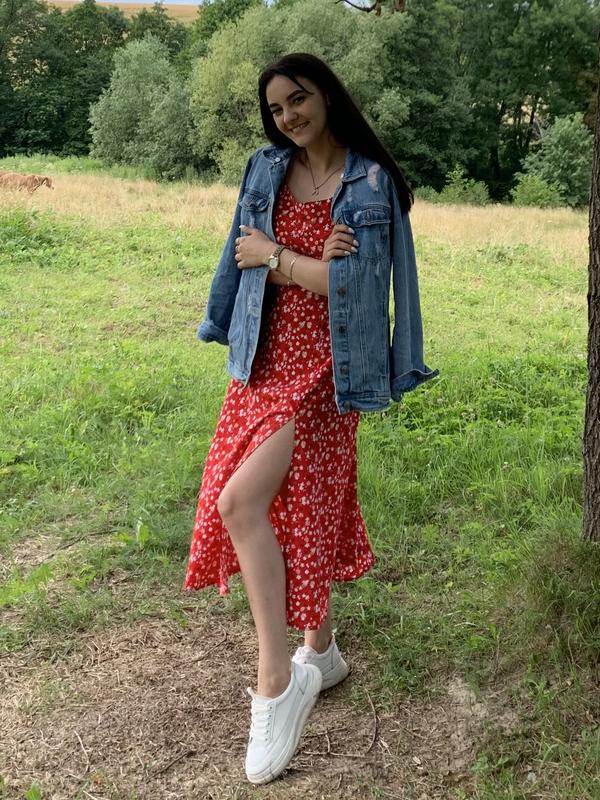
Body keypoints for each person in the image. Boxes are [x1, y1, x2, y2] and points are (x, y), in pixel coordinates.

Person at [182, 52, 439, 785]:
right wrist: (300, 262)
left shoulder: (369, 182)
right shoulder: (266, 170)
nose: (288, 116)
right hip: (265, 357)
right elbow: (243, 255)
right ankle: (319, 653)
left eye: (297, 99)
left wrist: (280, 257)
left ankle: (278, 683)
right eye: (276, 108)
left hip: (330, 367)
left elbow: (356, 286)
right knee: (294, 503)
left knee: (241, 503)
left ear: (325, 95)